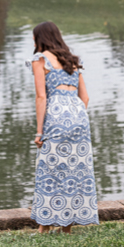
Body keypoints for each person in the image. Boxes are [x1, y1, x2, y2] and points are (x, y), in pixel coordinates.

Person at [27, 21, 99, 233]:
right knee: (74, 170)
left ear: (40, 38)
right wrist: (76, 115)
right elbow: (84, 97)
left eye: (34, 37)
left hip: (56, 116)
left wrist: (40, 131)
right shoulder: (73, 61)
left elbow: (41, 97)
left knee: (49, 170)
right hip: (79, 116)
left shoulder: (40, 59)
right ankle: (66, 227)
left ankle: (44, 228)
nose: (32, 41)